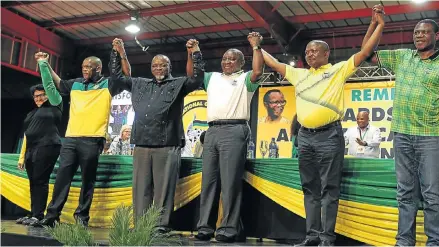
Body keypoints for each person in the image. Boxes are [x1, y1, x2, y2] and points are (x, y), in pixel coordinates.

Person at [260, 6, 385, 246]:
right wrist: (257, 46)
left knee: (329, 188)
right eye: (307, 51)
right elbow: (274, 63)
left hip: (329, 136)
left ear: (326, 54)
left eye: (315, 51)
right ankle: (312, 236)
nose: (309, 55)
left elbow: (365, 50)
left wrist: (377, 25)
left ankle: (327, 238)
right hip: (305, 138)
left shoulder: (338, 71)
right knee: (310, 188)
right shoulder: (299, 74)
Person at [368, 18, 439, 246]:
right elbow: (368, 52)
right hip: (402, 135)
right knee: (405, 193)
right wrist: (377, 25)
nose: (419, 36)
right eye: (416, 32)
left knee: (432, 194)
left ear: (436, 36)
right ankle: (404, 241)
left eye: (424, 32)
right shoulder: (403, 57)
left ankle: (435, 242)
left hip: (431, 137)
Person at [110, 38, 205, 233]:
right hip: (142, 144)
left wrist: (195, 52)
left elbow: (197, 78)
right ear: (151, 68)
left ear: (170, 67)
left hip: (167, 144)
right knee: (141, 189)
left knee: (164, 189)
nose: (159, 68)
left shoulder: (179, 83)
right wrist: (118, 53)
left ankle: (161, 225)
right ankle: (141, 225)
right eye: (155, 65)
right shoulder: (139, 83)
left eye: (163, 65)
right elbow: (118, 77)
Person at [32, 50, 130, 227]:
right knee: (62, 178)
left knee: (87, 180)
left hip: (93, 139)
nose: (85, 70)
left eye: (89, 67)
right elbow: (60, 83)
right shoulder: (76, 83)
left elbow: (125, 74)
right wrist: (45, 64)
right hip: (70, 138)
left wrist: (121, 53)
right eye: (83, 67)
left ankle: (82, 218)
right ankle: (52, 215)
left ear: (98, 68)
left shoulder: (109, 84)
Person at [190, 32, 265, 243]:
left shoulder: (245, 79)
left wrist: (256, 46)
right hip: (212, 130)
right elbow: (194, 75)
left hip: (235, 129)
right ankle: (204, 227)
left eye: (232, 59)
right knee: (209, 182)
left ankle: (228, 228)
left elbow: (258, 70)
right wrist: (192, 53)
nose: (227, 62)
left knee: (230, 183)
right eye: (224, 59)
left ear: (241, 63)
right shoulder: (211, 78)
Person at [15, 82, 62, 226]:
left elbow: (52, 90)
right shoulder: (32, 113)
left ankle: (39, 215)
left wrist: (43, 64)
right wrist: (22, 156)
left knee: (40, 180)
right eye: (36, 96)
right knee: (33, 181)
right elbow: (27, 135)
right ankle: (34, 213)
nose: (38, 98)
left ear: (48, 96)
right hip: (31, 149)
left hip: (48, 146)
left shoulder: (55, 107)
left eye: (41, 95)